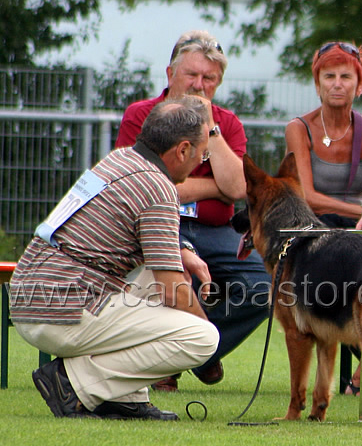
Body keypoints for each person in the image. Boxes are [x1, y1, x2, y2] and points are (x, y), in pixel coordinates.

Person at [10, 96, 220, 420]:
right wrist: (207, 343)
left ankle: (127, 398)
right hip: (62, 307)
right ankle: (74, 384)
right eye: (202, 152)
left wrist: (182, 252)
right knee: (202, 338)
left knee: (158, 274)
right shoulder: (159, 187)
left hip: (30, 293)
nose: (200, 159)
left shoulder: (119, 159)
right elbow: (172, 289)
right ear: (181, 150)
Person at [115, 30, 270, 392]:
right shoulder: (142, 116)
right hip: (159, 223)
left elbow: (236, 188)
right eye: (192, 75)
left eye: (209, 78)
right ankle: (186, 357)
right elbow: (142, 185)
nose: (199, 85)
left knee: (266, 285)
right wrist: (211, 185)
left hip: (218, 231)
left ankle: (194, 353)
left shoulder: (226, 123)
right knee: (175, 281)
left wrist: (208, 126)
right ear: (170, 75)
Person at [285, 41, 362, 397]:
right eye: (329, 76)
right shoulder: (299, 128)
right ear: (318, 83)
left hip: (361, 226)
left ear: (359, 84)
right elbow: (305, 194)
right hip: (316, 227)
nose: (337, 84)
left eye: (346, 77)